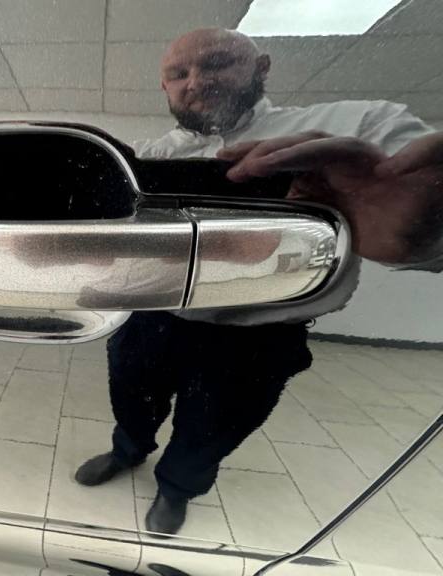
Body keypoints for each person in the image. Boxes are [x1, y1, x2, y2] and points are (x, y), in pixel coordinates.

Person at [73, 28, 441, 536]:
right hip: (154, 315)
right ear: (165, 87)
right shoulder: (149, 157)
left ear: (261, 67)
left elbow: (424, 216)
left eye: (216, 63)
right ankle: (127, 452)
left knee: (216, 425)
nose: (195, 81)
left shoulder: (359, 126)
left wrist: (427, 235)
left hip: (260, 335)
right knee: (131, 396)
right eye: (178, 74)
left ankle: (176, 490)